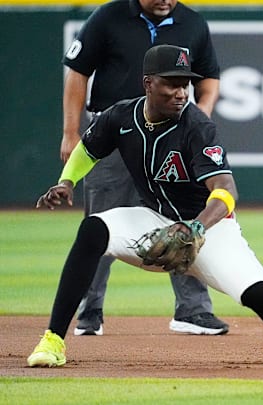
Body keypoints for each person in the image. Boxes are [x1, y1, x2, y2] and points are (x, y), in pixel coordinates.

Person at [27, 44, 263, 367]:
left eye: (185, 84)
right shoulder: (122, 117)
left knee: (257, 293)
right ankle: (52, 341)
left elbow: (225, 189)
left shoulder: (197, 125)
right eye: (172, 84)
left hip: (209, 228)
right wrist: (67, 181)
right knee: (93, 229)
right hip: (154, 221)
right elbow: (88, 149)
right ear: (148, 83)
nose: (182, 93)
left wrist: (196, 228)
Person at [61, 0, 227, 335]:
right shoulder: (108, 17)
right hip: (115, 133)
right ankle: (89, 311)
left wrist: (201, 114)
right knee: (101, 224)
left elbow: (209, 78)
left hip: (172, 137)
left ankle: (192, 311)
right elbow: (78, 72)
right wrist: (70, 131)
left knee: (182, 218)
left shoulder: (192, 23)